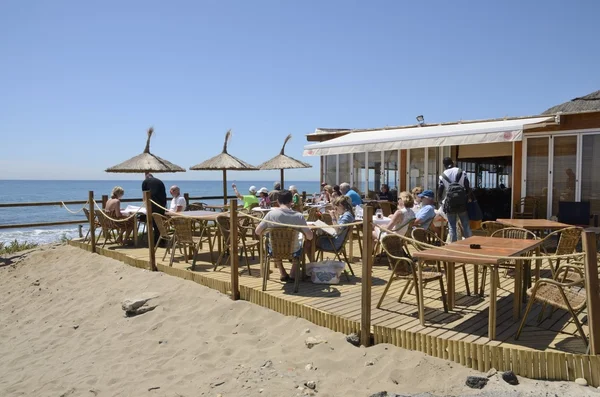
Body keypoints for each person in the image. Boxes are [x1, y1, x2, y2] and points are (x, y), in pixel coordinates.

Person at [255, 190, 313, 281]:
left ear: (278, 201)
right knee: (304, 244)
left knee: (274, 244)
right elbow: (310, 236)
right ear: (291, 201)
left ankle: (282, 272)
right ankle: (293, 273)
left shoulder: (270, 214)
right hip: (294, 250)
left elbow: (257, 231)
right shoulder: (298, 216)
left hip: (274, 249)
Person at [306, 195, 355, 262]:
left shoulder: (347, 216)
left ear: (341, 205)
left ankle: (310, 263)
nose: (335, 209)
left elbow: (337, 231)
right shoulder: (348, 214)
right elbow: (339, 228)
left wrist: (333, 217)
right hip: (334, 241)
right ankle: (312, 263)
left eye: (336, 208)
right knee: (311, 241)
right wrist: (336, 216)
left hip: (333, 244)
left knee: (308, 242)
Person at [437, 157, 472, 242]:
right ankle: (470, 242)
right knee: (466, 225)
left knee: (452, 226)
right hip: (461, 203)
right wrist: (469, 198)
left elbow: (440, 190)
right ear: (452, 162)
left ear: (444, 165)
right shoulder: (461, 172)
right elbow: (468, 187)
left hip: (450, 203)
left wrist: (440, 201)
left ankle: (453, 245)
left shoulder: (442, 176)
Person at [142, 172, 167, 245]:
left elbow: (144, 196)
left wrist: (146, 206)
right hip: (161, 204)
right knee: (159, 223)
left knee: (153, 223)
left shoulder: (145, 182)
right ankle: (161, 240)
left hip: (152, 205)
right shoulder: (159, 181)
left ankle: (156, 241)